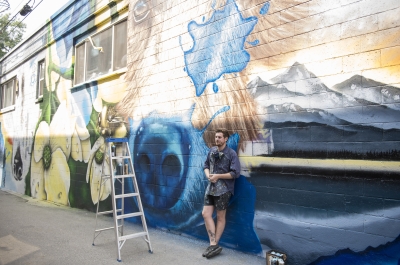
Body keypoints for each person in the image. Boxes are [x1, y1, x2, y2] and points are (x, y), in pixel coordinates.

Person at [202, 129, 241, 259]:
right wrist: (209, 176)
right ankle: (214, 244)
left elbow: (235, 173)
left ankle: (213, 245)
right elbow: (206, 165)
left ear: (226, 139)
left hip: (224, 190)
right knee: (205, 214)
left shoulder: (231, 154)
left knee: (220, 217)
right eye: (216, 137)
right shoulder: (212, 151)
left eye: (219, 137)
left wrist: (218, 176)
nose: (217, 139)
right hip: (210, 188)